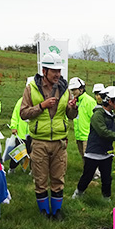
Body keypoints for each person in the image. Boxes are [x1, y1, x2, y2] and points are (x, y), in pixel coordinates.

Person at [20, 52, 78, 220]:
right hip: (39, 142)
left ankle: (57, 212)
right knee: (40, 180)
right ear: (44, 70)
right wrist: (42, 106)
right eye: (54, 71)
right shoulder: (31, 88)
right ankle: (44, 213)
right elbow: (23, 113)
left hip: (60, 142)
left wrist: (73, 108)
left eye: (59, 70)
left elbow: (70, 115)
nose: (57, 74)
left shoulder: (65, 88)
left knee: (58, 179)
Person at [72, 86, 115, 201]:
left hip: (106, 152)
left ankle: (106, 198)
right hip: (94, 152)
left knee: (107, 178)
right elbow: (103, 132)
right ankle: (78, 194)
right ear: (109, 101)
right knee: (87, 176)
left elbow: (113, 131)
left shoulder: (112, 116)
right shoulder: (97, 115)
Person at [7, 77, 32, 173]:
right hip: (20, 134)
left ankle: (32, 170)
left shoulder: (38, 102)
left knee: (32, 153)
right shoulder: (21, 101)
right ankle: (12, 168)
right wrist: (13, 127)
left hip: (32, 134)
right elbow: (15, 115)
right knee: (19, 152)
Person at [69, 77, 98, 160]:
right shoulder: (75, 102)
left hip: (88, 137)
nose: (73, 92)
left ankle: (97, 173)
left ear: (81, 89)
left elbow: (95, 119)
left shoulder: (89, 101)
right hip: (79, 136)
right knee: (84, 158)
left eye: (75, 90)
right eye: (72, 90)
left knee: (90, 160)